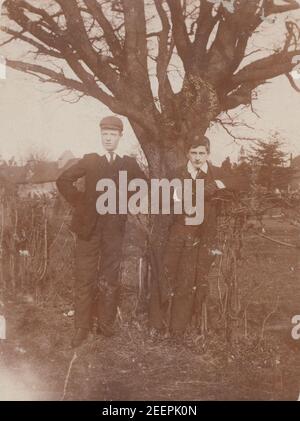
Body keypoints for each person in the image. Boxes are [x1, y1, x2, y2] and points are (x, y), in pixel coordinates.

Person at [56, 115, 146, 347]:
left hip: (113, 230)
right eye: (104, 134)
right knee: (84, 277)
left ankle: (105, 325)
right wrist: (81, 202)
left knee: (110, 277)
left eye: (112, 135)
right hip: (88, 229)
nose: (108, 138)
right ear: (101, 136)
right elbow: (63, 180)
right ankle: (81, 328)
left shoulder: (128, 163)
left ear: (120, 137)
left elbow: (143, 186)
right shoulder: (90, 161)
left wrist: (126, 202)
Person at [149, 135, 246, 338]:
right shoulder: (176, 174)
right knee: (165, 276)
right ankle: (156, 325)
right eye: (194, 153)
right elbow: (162, 201)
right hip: (176, 233)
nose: (197, 157)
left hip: (200, 237)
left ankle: (177, 329)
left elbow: (241, 181)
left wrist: (219, 184)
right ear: (187, 154)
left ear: (208, 154)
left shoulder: (213, 173)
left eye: (202, 153)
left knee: (186, 281)